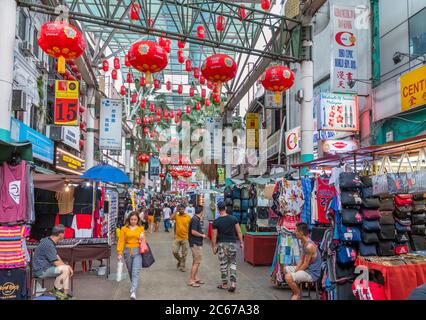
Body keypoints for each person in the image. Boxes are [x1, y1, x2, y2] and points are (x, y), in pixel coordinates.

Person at [32, 225, 75, 300]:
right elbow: (57, 263)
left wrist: (66, 266)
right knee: (65, 270)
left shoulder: (48, 240)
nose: (64, 235)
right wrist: (68, 268)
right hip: (41, 271)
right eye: (64, 233)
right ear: (60, 234)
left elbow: (57, 257)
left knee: (65, 268)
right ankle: (62, 294)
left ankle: (60, 292)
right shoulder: (49, 245)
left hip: (44, 267)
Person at [283, 222, 322, 300]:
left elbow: (305, 264)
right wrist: (296, 270)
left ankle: (297, 294)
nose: (294, 232)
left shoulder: (309, 246)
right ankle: (296, 290)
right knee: (285, 269)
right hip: (306, 269)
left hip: (312, 273)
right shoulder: (303, 242)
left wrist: (295, 272)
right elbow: (301, 260)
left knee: (288, 277)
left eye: (296, 231)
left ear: (301, 233)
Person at [211, 202, 244, 293]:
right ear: (225, 208)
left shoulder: (216, 221)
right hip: (232, 244)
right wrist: (241, 242)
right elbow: (239, 232)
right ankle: (233, 283)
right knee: (232, 263)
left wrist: (214, 247)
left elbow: (214, 236)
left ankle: (225, 284)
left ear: (218, 209)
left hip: (221, 245)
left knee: (223, 264)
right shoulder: (233, 219)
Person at [117, 212, 145, 300]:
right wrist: (120, 253)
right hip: (127, 252)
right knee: (130, 271)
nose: (133, 221)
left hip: (137, 251)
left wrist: (142, 239)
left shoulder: (141, 228)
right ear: (129, 219)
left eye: (135, 220)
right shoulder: (124, 229)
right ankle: (133, 286)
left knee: (135, 271)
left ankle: (133, 291)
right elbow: (121, 241)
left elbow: (144, 241)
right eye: (132, 219)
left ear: (138, 220)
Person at [188, 206, 207, 287]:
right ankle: (191, 280)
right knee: (196, 262)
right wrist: (202, 235)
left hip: (196, 243)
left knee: (196, 261)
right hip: (195, 243)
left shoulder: (196, 219)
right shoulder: (195, 219)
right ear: (201, 211)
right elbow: (193, 231)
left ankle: (195, 277)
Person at [170, 205, 191, 272]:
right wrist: (176, 211)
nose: (181, 210)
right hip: (177, 237)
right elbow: (171, 218)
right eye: (180, 209)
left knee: (184, 253)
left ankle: (182, 266)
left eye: (182, 209)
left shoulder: (188, 217)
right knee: (174, 251)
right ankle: (180, 260)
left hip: (185, 238)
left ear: (184, 209)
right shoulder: (177, 216)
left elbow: (191, 226)